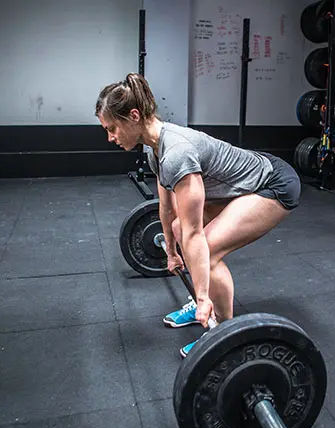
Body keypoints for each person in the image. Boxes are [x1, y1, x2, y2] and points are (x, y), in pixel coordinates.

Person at [95, 73, 301, 358]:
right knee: (180, 228)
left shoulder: (177, 152)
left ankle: (225, 335)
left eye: (112, 128)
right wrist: (171, 252)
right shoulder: (156, 150)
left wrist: (203, 296)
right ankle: (202, 304)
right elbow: (167, 209)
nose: (110, 137)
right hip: (246, 180)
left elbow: (195, 234)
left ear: (133, 116)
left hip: (272, 184)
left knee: (209, 248)